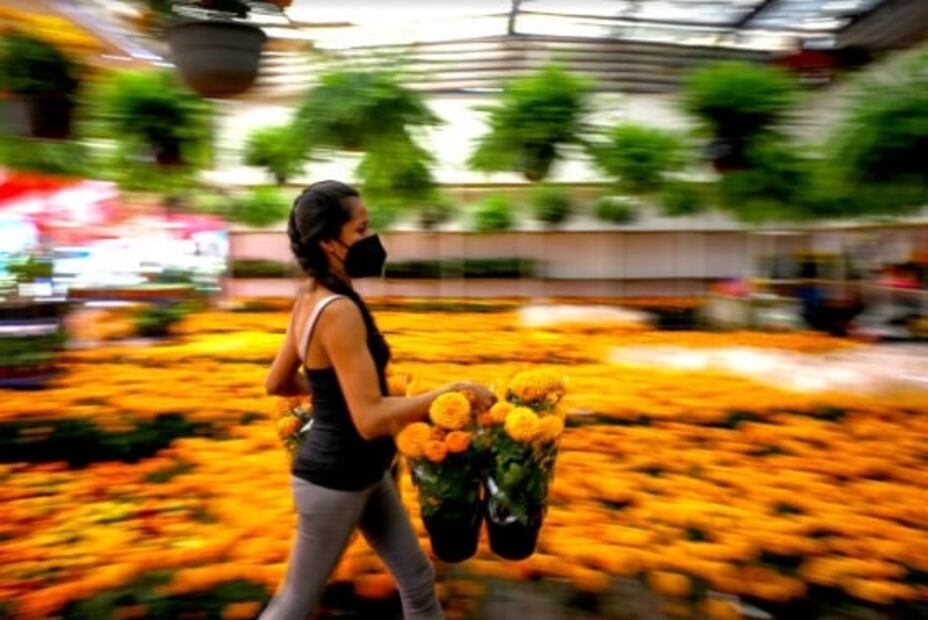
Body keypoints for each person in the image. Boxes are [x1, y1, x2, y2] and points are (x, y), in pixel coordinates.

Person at [260, 180, 495, 620]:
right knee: (293, 604)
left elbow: (277, 382)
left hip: (365, 472)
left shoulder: (309, 297)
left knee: (417, 579)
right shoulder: (338, 310)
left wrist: (340, 390)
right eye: (362, 229)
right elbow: (369, 419)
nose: (372, 240)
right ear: (330, 242)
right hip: (335, 483)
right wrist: (447, 394)